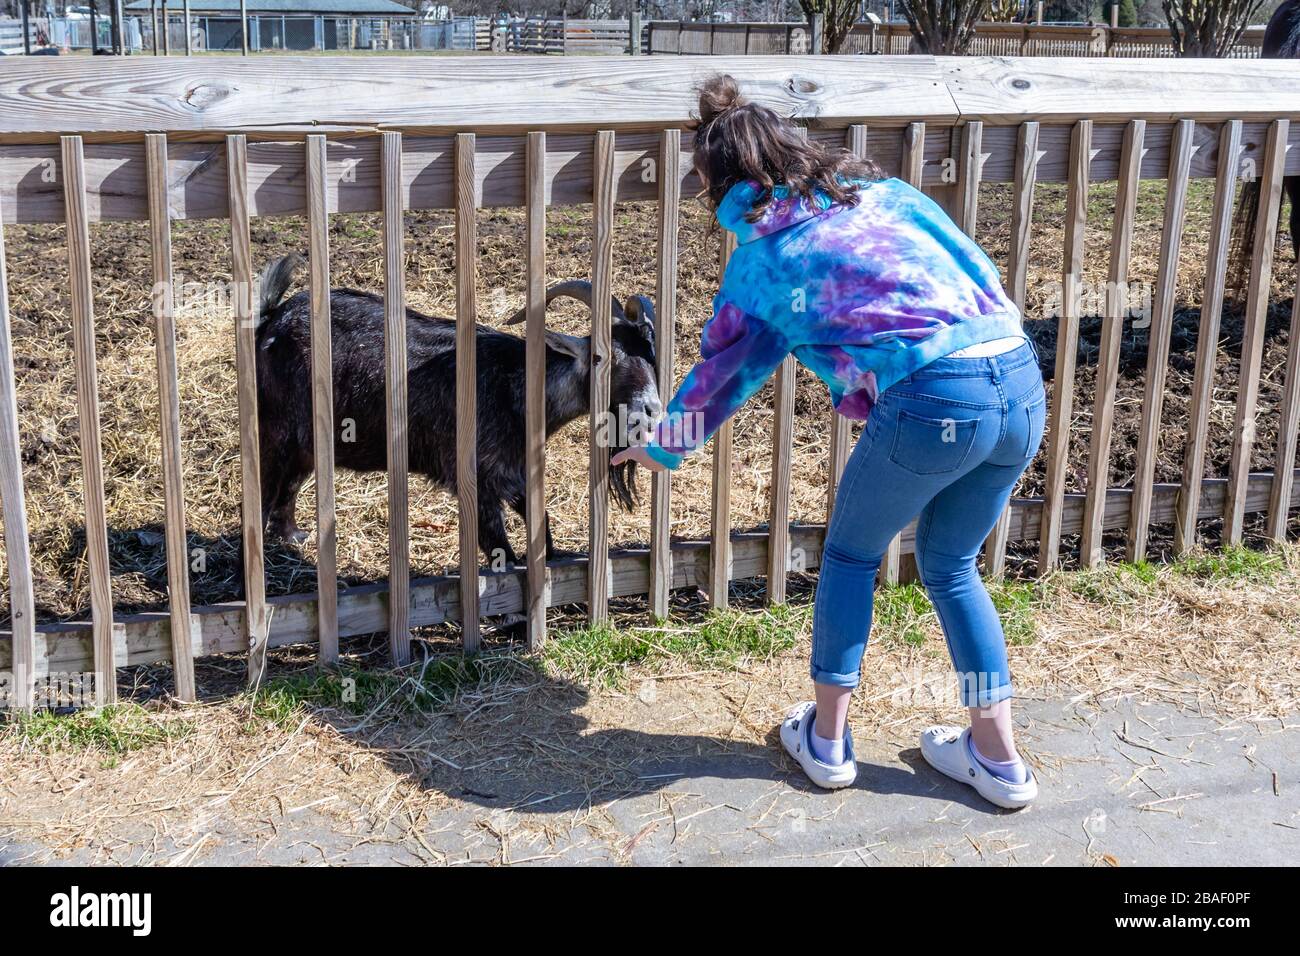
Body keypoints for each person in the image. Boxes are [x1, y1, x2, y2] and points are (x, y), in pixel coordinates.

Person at [612, 75, 1045, 809]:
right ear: (792, 148)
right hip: (1018, 375)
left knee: (850, 556)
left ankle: (828, 741)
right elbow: (972, 271)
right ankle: (998, 757)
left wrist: (658, 446)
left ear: (722, 184)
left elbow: (723, 377)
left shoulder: (763, 265)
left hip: (933, 400)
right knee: (952, 565)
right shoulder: (887, 194)